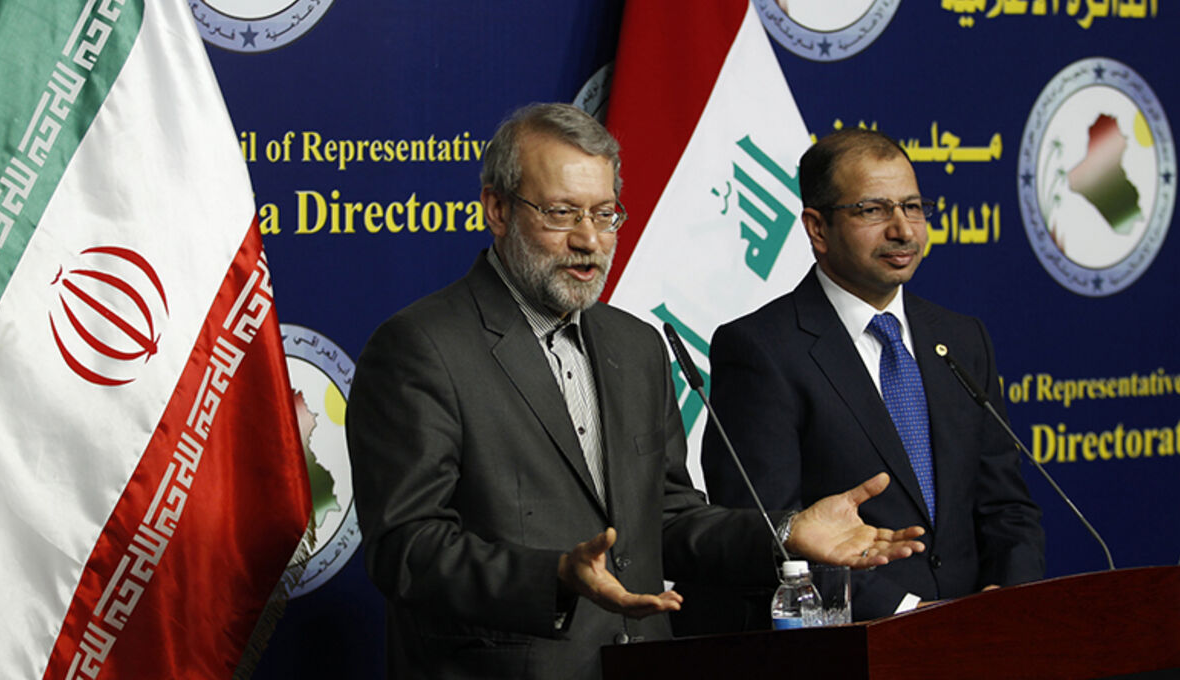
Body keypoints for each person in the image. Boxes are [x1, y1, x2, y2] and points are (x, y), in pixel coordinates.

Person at [346, 105, 926, 680]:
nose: (589, 240)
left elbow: (668, 520)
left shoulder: (636, 344)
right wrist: (553, 578)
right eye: (561, 213)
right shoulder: (422, 347)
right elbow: (407, 549)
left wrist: (784, 532)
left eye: (604, 214)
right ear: (497, 210)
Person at [701, 128, 1045, 623]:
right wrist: (907, 614)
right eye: (873, 210)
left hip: (982, 638)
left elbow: (1006, 507)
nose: (903, 230)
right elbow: (766, 530)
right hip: (854, 643)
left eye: (913, 207)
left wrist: (1009, 595)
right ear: (818, 229)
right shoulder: (761, 350)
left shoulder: (963, 338)